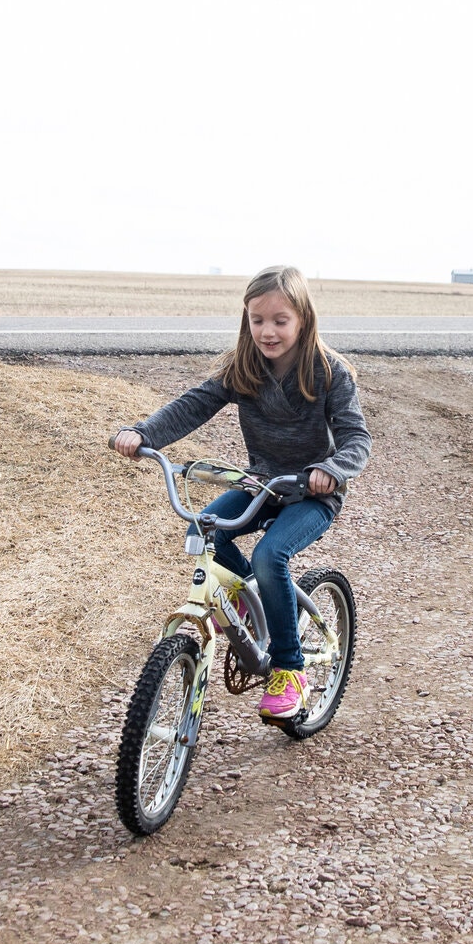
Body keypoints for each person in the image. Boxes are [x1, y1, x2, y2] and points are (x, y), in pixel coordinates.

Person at [111, 266, 370, 719]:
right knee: (203, 528)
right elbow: (194, 404)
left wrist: (330, 469)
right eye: (257, 320)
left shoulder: (329, 373)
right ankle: (254, 602)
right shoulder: (243, 368)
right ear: (246, 320)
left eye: (280, 320)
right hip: (261, 484)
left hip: (312, 493)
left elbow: (356, 439)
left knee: (272, 556)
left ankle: (289, 669)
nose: (267, 331)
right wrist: (142, 433)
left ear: (303, 319)